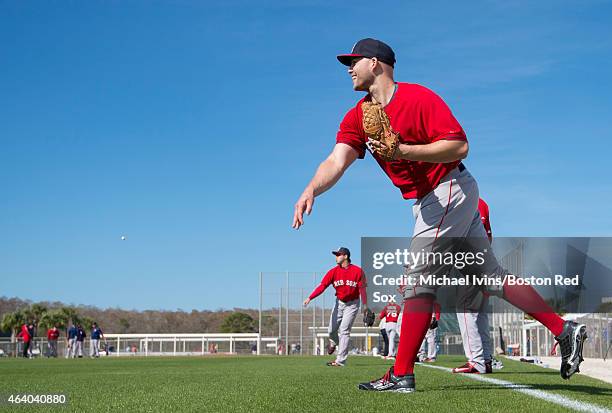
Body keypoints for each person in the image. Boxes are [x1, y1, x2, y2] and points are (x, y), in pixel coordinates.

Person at [292, 38, 587, 392]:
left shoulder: (418, 98)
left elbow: (459, 145)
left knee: (418, 279)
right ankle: (563, 329)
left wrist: (402, 149)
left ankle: (401, 373)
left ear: (375, 63)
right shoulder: (359, 115)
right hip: (435, 198)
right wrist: (312, 188)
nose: (348, 69)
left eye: (353, 61)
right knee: (491, 277)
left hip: (447, 188)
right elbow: (336, 159)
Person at [303, 247, 368, 367]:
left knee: (344, 330)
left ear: (346, 256)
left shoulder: (358, 271)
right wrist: (310, 298)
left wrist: (365, 306)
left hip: (353, 304)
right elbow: (322, 286)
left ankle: (340, 360)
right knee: (331, 330)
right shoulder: (333, 272)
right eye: (336, 255)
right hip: (339, 302)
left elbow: (362, 289)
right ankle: (333, 343)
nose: (336, 257)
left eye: (338, 254)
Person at [453, 198, 495, 374]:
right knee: (480, 312)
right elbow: (488, 235)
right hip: (484, 257)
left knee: (464, 308)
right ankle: (485, 359)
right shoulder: (481, 202)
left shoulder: (453, 198)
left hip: (469, 260)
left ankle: (476, 361)